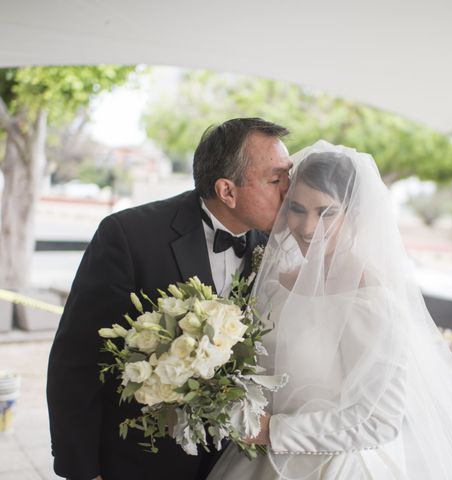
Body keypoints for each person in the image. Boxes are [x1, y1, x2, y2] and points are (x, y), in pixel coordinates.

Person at [208, 141, 452, 479]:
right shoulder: (274, 284)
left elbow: (379, 420)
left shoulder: (370, 300)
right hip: (250, 459)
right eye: (297, 208)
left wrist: (273, 432)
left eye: (326, 212)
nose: (308, 227)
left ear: (356, 215)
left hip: (328, 467)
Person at [47, 118, 292, 480]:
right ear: (227, 190)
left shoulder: (277, 247)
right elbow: (77, 362)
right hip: (139, 461)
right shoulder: (129, 236)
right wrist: (83, 472)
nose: (289, 190)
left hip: (232, 463)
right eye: (276, 180)